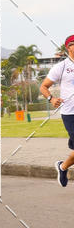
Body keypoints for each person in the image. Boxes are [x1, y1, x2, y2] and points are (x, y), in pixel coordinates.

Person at [40, 34, 74, 187]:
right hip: (70, 113)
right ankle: (62, 166)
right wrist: (51, 99)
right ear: (69, 47)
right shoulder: (61, 67)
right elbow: (43, 86)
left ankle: (62, 166)